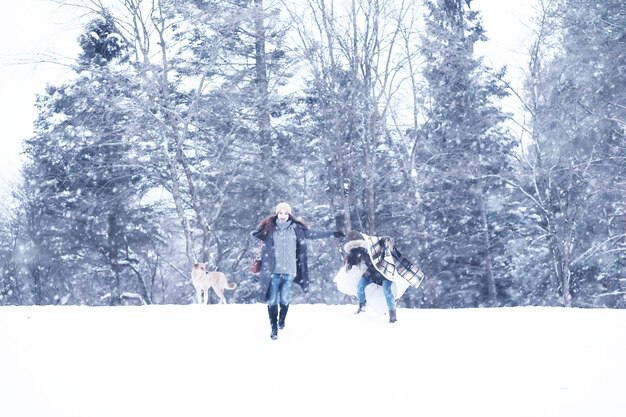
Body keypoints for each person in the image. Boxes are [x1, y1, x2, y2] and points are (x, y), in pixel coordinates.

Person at [252, 202, 344, 340]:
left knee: (284, 298)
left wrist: (333, 233)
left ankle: (281, 320)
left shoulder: (296, 228)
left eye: (286, 213)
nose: (283, 216)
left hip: (289, 270)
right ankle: (274, 328)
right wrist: (257, 234)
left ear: (289, 214)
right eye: (280, 213)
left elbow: (313, 234)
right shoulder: (269, 228)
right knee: (271, 300)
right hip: (272, 271)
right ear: (277, 213)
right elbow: (256, 234)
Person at [334, 230, 426, 323]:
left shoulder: (373, 247)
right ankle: (361, 308)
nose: (357, 247)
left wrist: (386, 242)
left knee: (387, 291)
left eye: (358, 245)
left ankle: (392, 315)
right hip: (371, 273)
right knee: (360, 286)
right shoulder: (355, 251)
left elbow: (382, 244)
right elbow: (353, 262)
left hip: (384, 272)